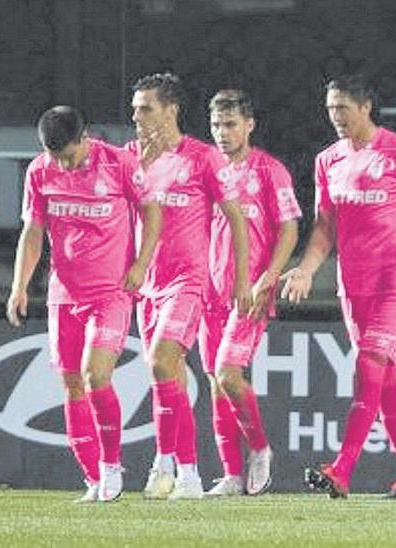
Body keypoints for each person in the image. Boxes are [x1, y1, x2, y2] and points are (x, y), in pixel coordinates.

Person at [281, 75, 396, 500]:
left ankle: (342, 468)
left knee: (369, 363)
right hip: (352, 285)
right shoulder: (328, 160)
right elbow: (326, 227)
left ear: (365, 107)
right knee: (385, 380)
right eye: (330, 109)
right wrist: (306, 269)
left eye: (343, 108)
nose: (336, 117)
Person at [6, 105, 162, 503]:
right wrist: (19, 286)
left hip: (110, 291)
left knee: (96, 376)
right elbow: (33, 231)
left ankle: (112, 468)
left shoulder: (119, 163)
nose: (63, 163)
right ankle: (94, 478)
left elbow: (152, 212)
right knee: (71, 383)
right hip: (64, 292)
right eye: (55, 155)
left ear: (86, 137)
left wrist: (141, 264)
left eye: (69, 154)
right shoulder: (40, 170)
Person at [127, 72, 253, 500]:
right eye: (134, 109)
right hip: (148, 285)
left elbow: (236, 219)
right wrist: (140, 169)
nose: (137, 117)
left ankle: (188, 473)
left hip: (187, 281)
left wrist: (241, 279)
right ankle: (168, 465)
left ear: (171, 110)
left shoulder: (202, 158)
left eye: (146, 108)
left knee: (165, 362)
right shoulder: (129, 157)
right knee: (166, 375)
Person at [199, 89, 301, 497]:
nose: (222, 134)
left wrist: (269, 278)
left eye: (230, 125)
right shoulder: (205, 169)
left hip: (250, 292)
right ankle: (232, 475)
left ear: (249, 125)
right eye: (216, 126)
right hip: (209, 291)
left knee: (228, 373)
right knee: (214, 381)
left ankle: (260, 448)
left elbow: (290, 228)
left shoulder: (270, 171)